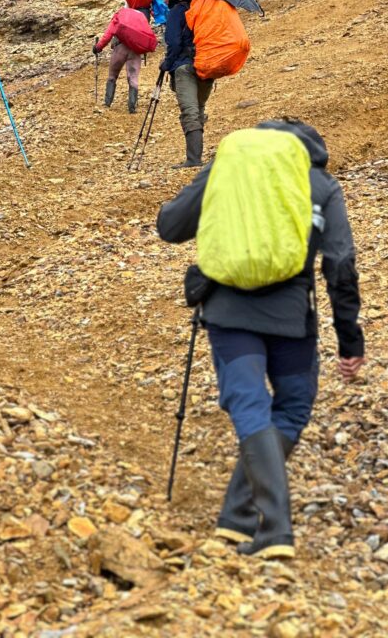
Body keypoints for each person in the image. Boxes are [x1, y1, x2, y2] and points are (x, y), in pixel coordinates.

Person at [157, 118, 365, 559]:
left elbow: (171, 226)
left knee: (249, 404)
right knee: (290, 408)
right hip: (292, 318)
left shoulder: (227, 169)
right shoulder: (321, 184)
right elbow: (340, 265)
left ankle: (238, 521)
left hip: (230, 314)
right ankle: (274, 531)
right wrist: (350, 341)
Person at [157, 0, 213, 168]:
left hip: (184, 67)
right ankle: (196, 155)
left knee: (190, 111)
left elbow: (173, 43)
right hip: (206, 64)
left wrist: (167, 63)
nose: (164, 0)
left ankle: (194, 159)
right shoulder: (199, 7)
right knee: (199, 109)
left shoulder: (176, 12)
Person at [93, 2, 151, 113]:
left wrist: (98, 47)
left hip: (119, 49)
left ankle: (107, 103)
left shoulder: (120, 14)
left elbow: (108, 34)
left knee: (112, 75)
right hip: (135, 51)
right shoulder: (141, 17)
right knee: (133, 78)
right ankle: (132, 107)